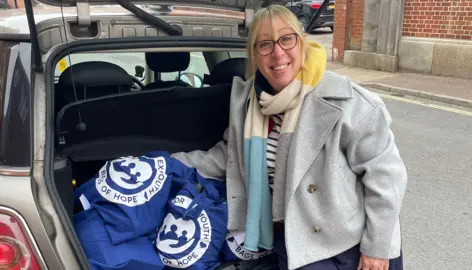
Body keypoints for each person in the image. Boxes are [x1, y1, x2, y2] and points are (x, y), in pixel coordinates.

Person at [172, 4, 407, 270]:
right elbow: (228, 157)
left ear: (302, 43)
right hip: (291, 244)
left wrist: (376, 249)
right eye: (264, 44)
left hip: (349, 246)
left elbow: (387, 178)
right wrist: (163, 164)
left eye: (286, 39)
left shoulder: (350, 102)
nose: (277, 52)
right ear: (254, 55)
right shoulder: (248, 104)